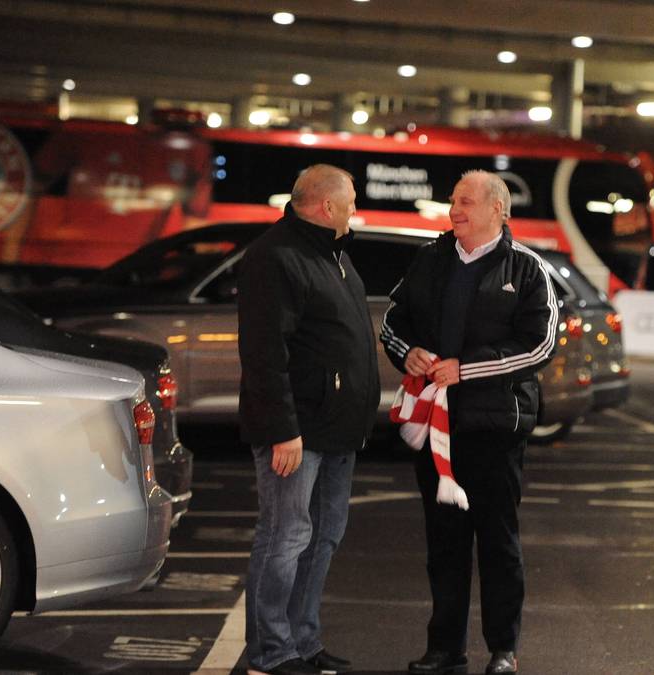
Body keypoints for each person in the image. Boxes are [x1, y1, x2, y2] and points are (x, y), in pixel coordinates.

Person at [381, 170, 558, 675]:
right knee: (444, 545)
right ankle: (445, 649)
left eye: (465, 202)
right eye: (453, 201)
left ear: (498, 209)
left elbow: (540, 345)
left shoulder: (527, 268)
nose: (454, 210)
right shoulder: (430, 258)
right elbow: (393, 321)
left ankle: (504, 650)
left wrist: (467, 370)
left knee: (498, 543)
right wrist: (408, 352)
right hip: (435, 425)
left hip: (494, 430)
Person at [238, 164, 380, 675]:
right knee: (285, 537)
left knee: (322, 537)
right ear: (327, 206)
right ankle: (271, 651)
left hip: (336, 428)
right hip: (298, 431)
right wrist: (283, 430)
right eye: (351, 201)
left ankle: (302, 641)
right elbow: (263, 353)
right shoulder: (276, 257)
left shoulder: (333, 254)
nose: (355, 210)